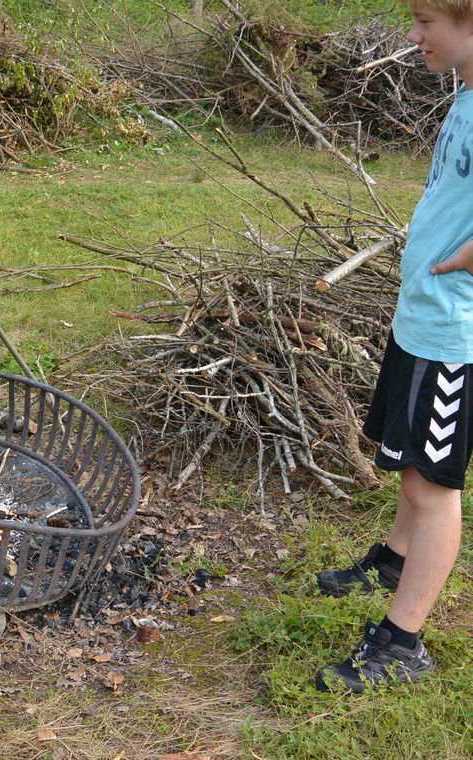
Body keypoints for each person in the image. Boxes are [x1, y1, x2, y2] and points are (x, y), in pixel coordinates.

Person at [313, 0, 473, 694]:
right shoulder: (467, 91)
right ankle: (393, 560)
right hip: (424, 319)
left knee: (431, 484)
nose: (413, 37)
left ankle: (403, 643)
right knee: (409, 463)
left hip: (456, 333)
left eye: (426, 22)